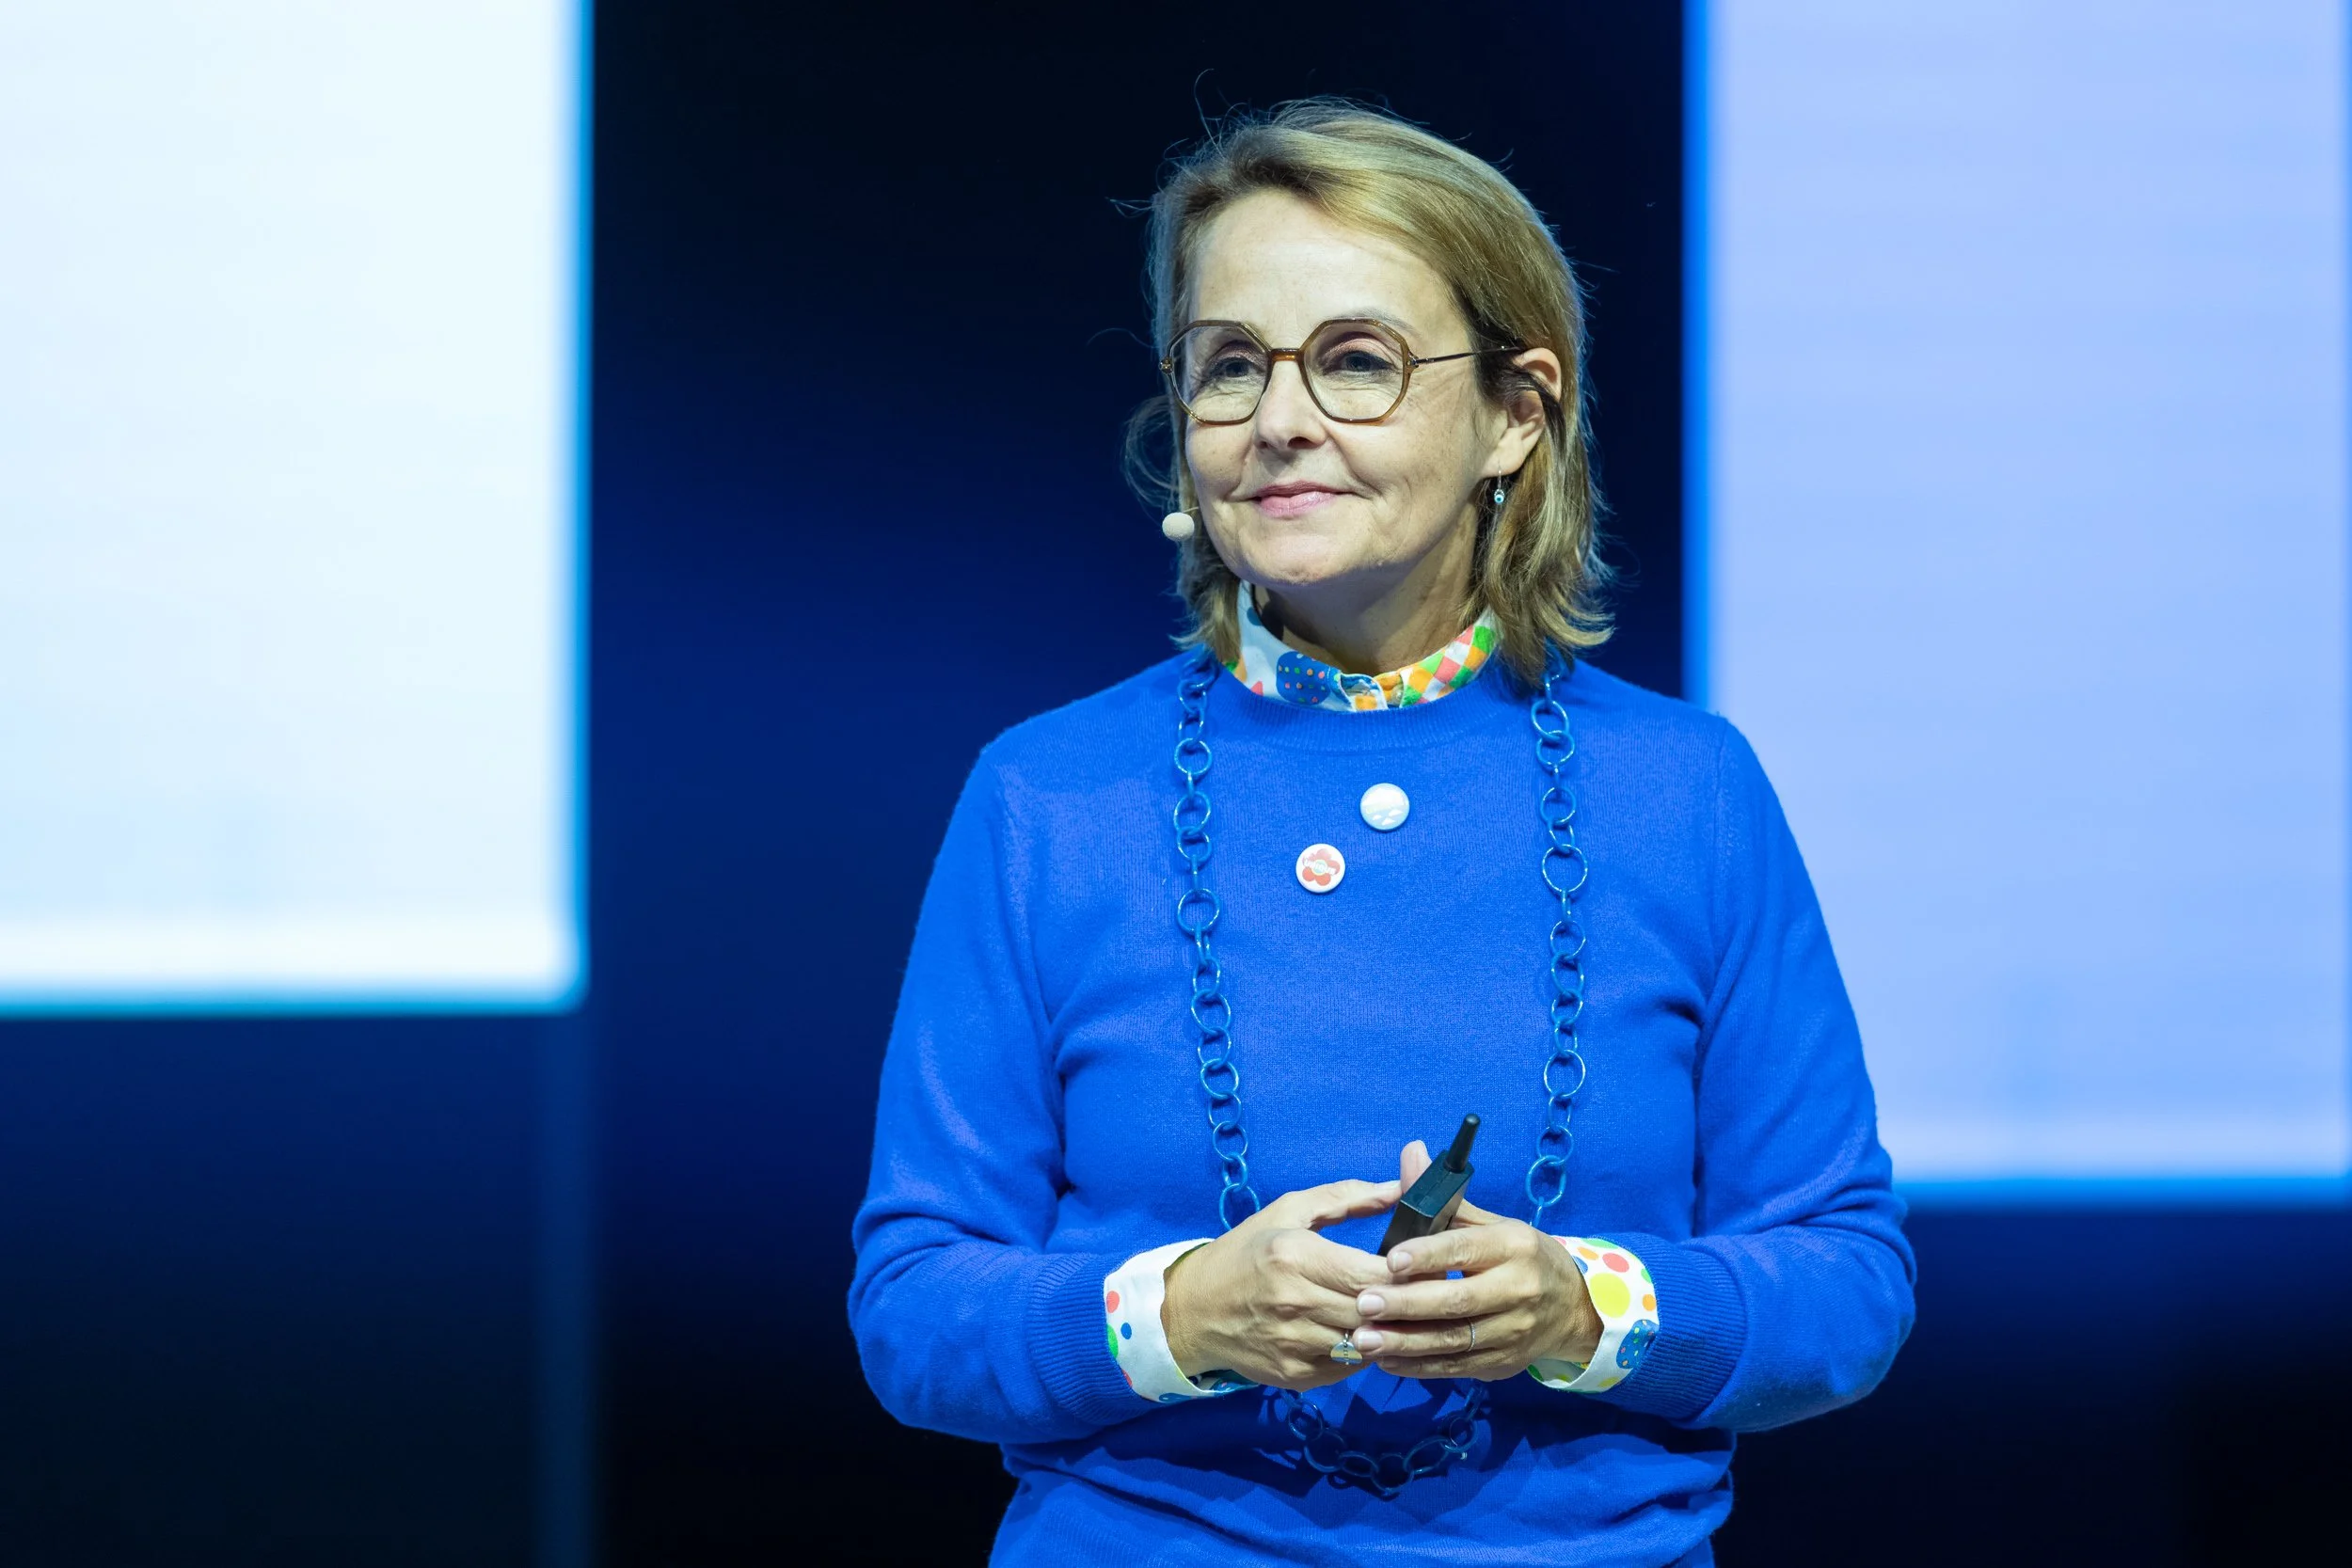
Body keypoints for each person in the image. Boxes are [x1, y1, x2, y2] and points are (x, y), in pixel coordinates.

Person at [849, 100, 1915, 1566]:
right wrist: (1172, 1316)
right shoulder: (1049, 795)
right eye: (1229, 368)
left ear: (1515, 414)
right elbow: (913, 1303)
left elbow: (1848, 1278)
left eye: (1356, 361)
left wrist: (1583, 1308)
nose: (1279, 419)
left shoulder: (1688, 789)